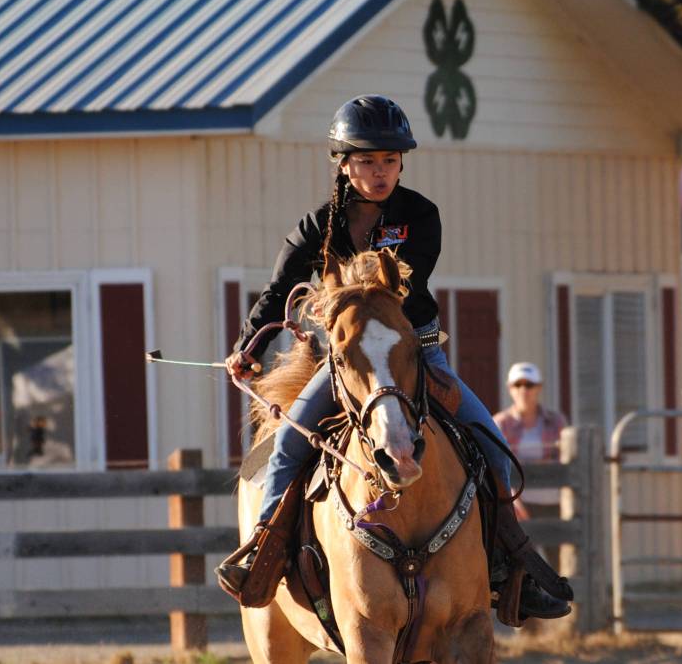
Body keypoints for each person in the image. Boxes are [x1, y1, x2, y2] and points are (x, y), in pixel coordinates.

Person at [215, 94, 568, 618]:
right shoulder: (316, 228)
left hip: (417, 352)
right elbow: (277, 290)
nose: (380, 173)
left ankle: (510, 567)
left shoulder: (421, 215)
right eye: (367, 161)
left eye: (390, 161)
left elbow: (406, 286)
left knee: (490, 443)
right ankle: (265, 552)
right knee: (288, 444)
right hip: (346, 363)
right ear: (343, 164)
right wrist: (247, 348)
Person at [493, 362, 566, 526]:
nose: (523, 390)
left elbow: (566, 461)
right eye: (517, 384)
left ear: (539, 388)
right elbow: (497, 467)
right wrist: (514, 499)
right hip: (517, 503)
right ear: (509, 388)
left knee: (560, 549)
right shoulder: (500, 424)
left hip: (553, 501)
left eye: (529, 385)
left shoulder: (556, 421)